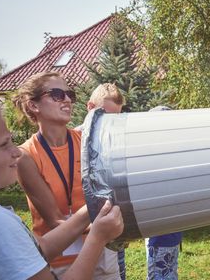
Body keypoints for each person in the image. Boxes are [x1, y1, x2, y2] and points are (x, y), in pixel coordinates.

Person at [0, 100, 124, 279]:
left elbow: (40, 248)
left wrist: (90, 209)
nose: (16, 152)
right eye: (4, 144)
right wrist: (98, 238)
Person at [13, 71, 121, 279]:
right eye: (57, 94)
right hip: (61, 263)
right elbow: (55, 220)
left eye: (69, 94)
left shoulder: (89, 142)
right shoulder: (25, 156)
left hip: (101, 254)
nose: (68, 100)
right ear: (34, 105)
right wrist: (102, 226)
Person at [82, 83, 127, 280]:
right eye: (107, 117)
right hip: (82, 243)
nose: (111, 124)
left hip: (111, 240)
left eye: (116, 117)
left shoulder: (116, 146)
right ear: (90, 108)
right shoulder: (75, 141)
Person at [145, 105, 183, 280]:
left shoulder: (173, 156)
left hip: (173, 231)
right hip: (158, 236)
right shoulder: (151, 160)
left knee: (170, 274)